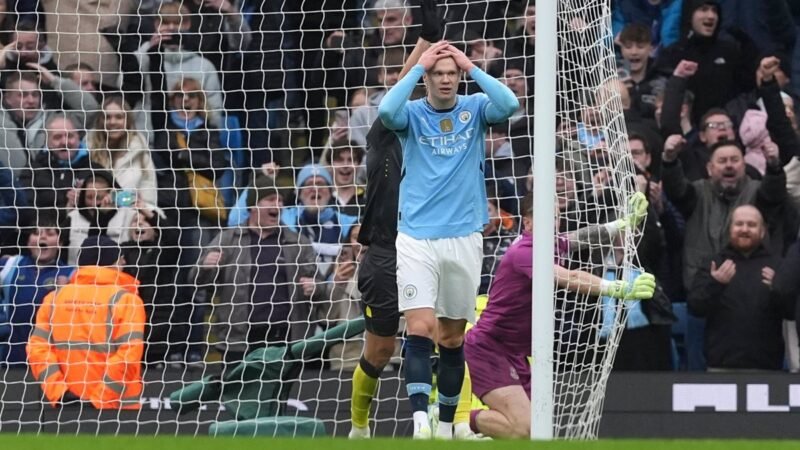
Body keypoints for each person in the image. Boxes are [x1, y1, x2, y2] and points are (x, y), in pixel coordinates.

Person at [377, 37, 518, 438]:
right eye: (437, 74)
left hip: (463, 236)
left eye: (450, 74)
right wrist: (419, 66)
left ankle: (446, 424)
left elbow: (509, 105)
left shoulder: (475, 109)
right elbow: (386, 111)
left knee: (452, 335)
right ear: (427, 79)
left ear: (459, 78)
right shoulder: (413, 114)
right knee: (420, 327)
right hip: (417, 236)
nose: (444, 80)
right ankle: (420, 419)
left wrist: (472, 67)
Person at [350, 2, 480, 439]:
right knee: (381, 348)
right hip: (386, 249)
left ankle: (452, 422)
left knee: (446, 333)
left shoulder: (448, 128)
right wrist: (425, 41)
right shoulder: (390, 128)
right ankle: (359, 425)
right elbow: (401, 90)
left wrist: (430, 30)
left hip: (430, 240)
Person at [465, 193, 656, 438]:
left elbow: (579, 238)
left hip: (516, 353)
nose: (552, 222)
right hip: (489, 348)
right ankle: (459, 422)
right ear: (528, 223)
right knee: (526, 430)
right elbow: (571, 277)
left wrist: (621, 224)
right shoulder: (524, 252)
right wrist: (619, 288)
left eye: (555, 217)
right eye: (544, 216)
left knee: (535, 433)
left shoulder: (552, 243)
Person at [192, 175, 323, 364]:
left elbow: (320, 287)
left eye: (280, 200)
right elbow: (196, 282)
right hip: (240, 341)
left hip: (285, 339)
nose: (277, 205)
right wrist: (205, 268)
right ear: (253, 206)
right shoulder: (229, 239)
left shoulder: (298, 242)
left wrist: (316, 287)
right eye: (270, 199)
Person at [27, 235, 146, 409]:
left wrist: (60, 393)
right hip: (118, 409)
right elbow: (129, 354)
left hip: (64, 409)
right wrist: (99, 399)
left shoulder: (54, 299)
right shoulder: (126, 300)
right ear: (118, 262)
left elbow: (37, 349)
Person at [688, 205, 793, 370]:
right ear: (730, 229)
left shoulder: (778, 265)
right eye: (739, 224)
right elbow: (695, 307)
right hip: (720, 367)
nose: (744, 229)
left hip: (767, 369)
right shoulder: (714, 263)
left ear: (763, 231)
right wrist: (715, 284)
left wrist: (779, 288)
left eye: (751, 225)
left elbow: (792, 313)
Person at [0, 214, 72, 365]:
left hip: (50, 360)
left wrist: (66, 293)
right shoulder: (11, 264)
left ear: (60, 243)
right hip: (11, 357)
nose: (42, 237)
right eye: (36, 233)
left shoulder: (70, 274)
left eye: (50, 233)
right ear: (28, 242)